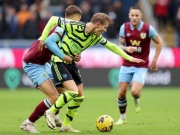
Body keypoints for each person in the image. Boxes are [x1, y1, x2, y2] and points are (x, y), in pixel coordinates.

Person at [43, 12, 145, 132]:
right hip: (59, 61)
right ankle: (51, 111)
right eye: (104, 27)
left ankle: (66, 126)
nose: (105, 30)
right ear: (97, 24)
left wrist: (130, 58)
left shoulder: (96, 37)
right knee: (73, 91)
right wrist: (42, 38)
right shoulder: (76, 26)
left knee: (80, 96)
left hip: (71, 63)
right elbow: (54, 19)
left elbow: (112, 46)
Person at [20, 5, 82, 133]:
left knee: (61, 87)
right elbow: (49, 42)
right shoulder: (60, 28)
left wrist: (76, 55)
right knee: (54, 97)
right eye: (78, 20)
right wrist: (64, 56)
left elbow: (66, 47)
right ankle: (28, 123)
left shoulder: (67, 30)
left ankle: (55, 116)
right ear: (75, 18)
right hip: (33, 63)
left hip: (44, 63)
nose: (79, 23)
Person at [115, 6, 163, 125]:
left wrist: (155, 61)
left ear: (141, 16)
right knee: (121, 93)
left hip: (141, 65)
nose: (134, 18)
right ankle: (122, 117)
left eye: (137, 15)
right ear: (129, 16)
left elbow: (160, 42)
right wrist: (127, 48)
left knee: (135, 92)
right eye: (132, 15)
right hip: (126, 63)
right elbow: (120, 45)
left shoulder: (148, 29)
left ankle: (136, 99)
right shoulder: (124, 27)